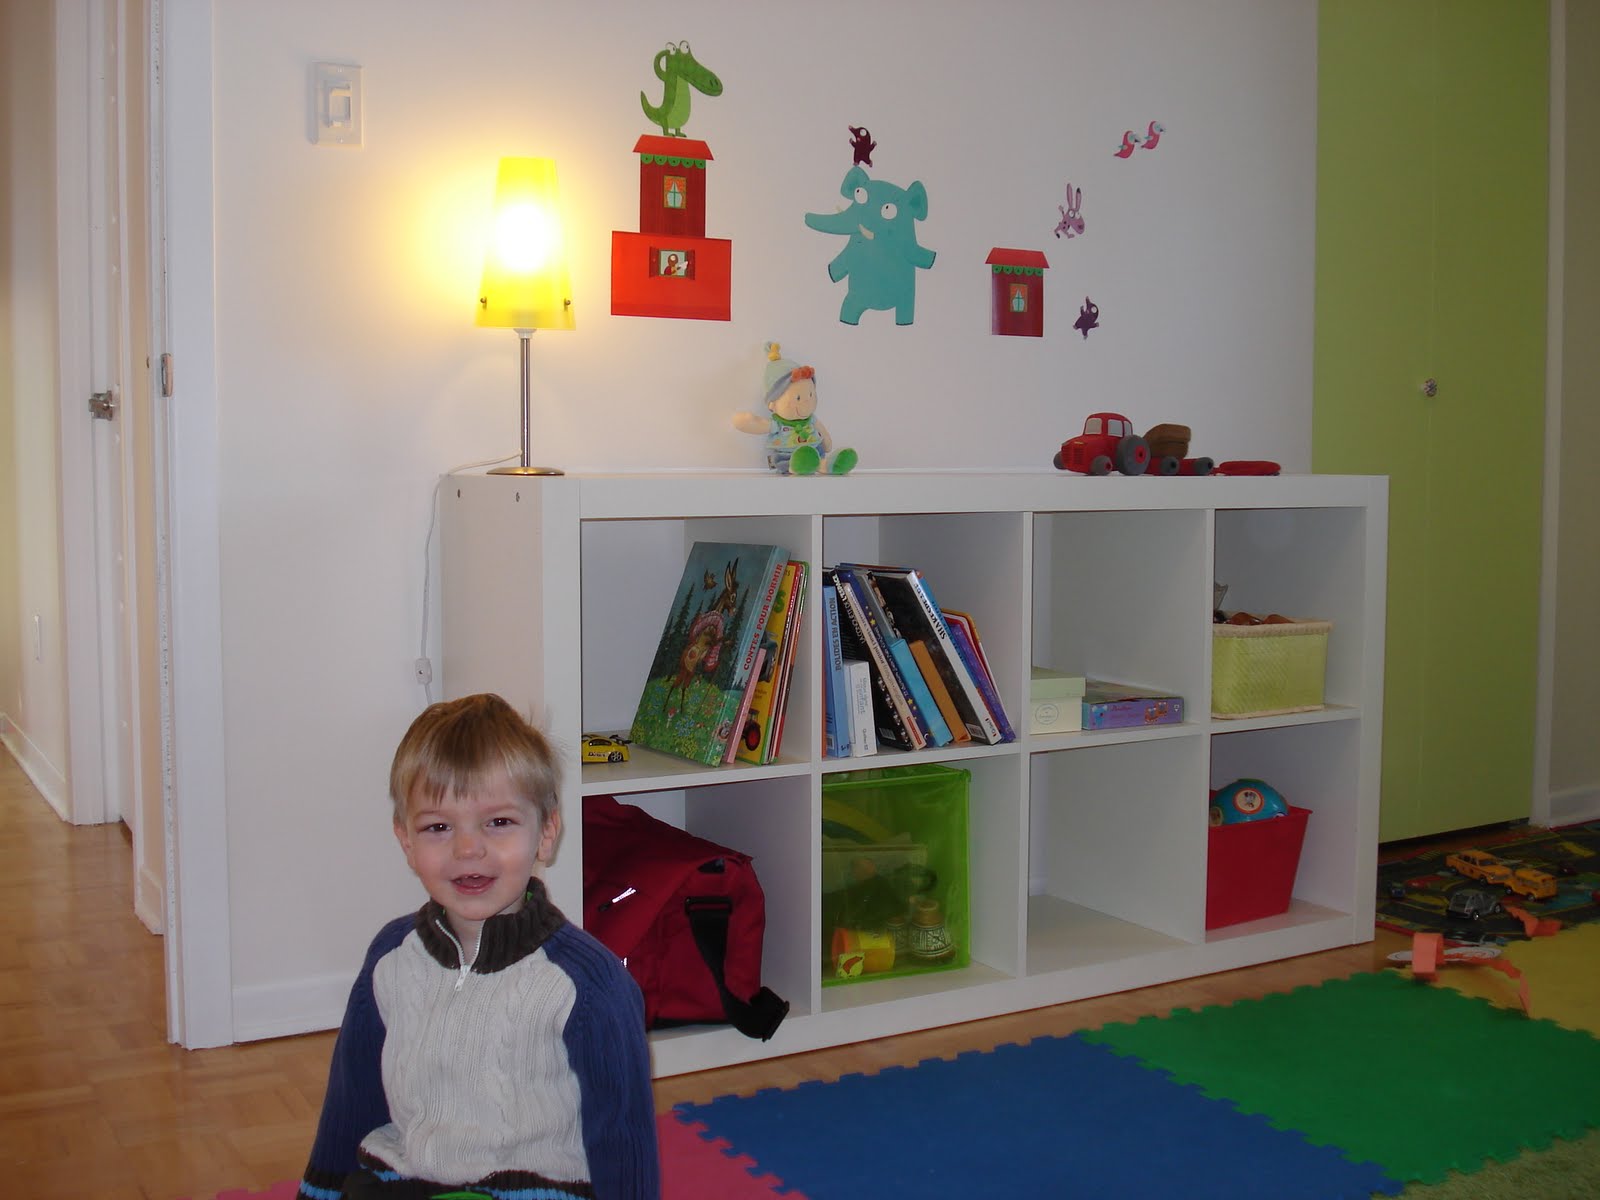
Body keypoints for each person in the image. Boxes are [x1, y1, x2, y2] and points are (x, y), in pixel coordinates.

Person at [296, 693, 659, 1200]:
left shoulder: (587, 984)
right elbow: (352, 1097)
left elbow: (622, 1134)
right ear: (406, 841)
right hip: (407, 1180)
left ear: (546, 832)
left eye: (499, 822)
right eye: (438, 827)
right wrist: (320, 1191)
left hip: (534, 1191)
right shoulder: (391, 958)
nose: (468, 848)